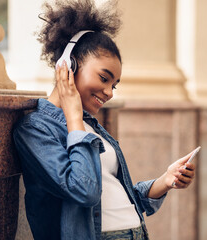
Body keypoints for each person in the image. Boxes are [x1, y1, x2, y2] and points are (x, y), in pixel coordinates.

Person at [12, 0, 197, 239]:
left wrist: (165, 180)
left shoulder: (90, 126)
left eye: (114, 85)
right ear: (67, 66)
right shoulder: (35, 129)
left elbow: (118, 196)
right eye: (103, 78)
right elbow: (84, 190)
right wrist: (74, 117)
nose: (109, 92)